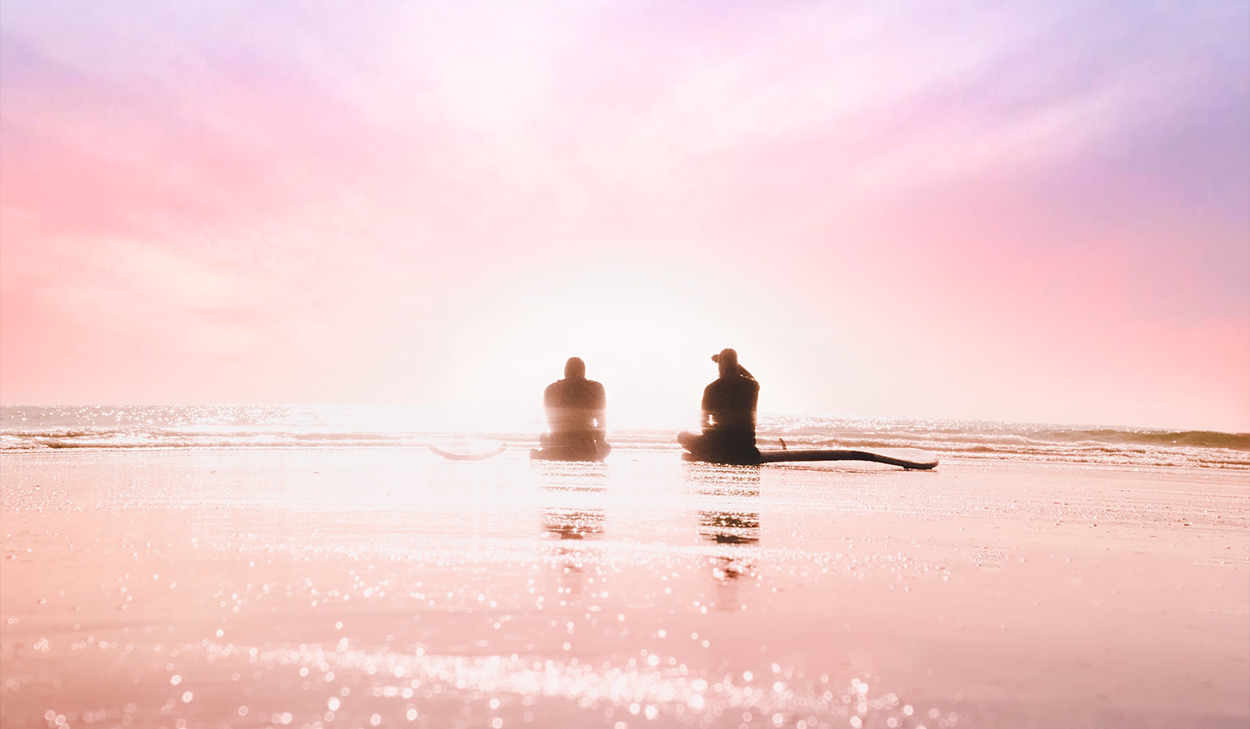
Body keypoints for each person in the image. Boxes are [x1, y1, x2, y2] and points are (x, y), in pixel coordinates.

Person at [678, 348, 761, 465]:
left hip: (719, 445)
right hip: (746, 445)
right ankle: (713, 452)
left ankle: (709, 453)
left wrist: (710, 441)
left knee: (683, 436)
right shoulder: (751, 386)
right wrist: (735, 365)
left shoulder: (711, 388)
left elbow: (704, 422)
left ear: (720, 366)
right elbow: (751, 377)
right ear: (736, 364)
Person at [532, 357, 611, 461]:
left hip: (559, 441)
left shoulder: (551, 389)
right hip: (585, 443)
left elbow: (551, 421)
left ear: (565, 371)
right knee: (606, 447)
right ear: (583, 371)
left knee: (543, 437)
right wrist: (599, 439)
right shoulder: (595, 388)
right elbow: (602, 421)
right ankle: (591, 456)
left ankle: (551, 454)